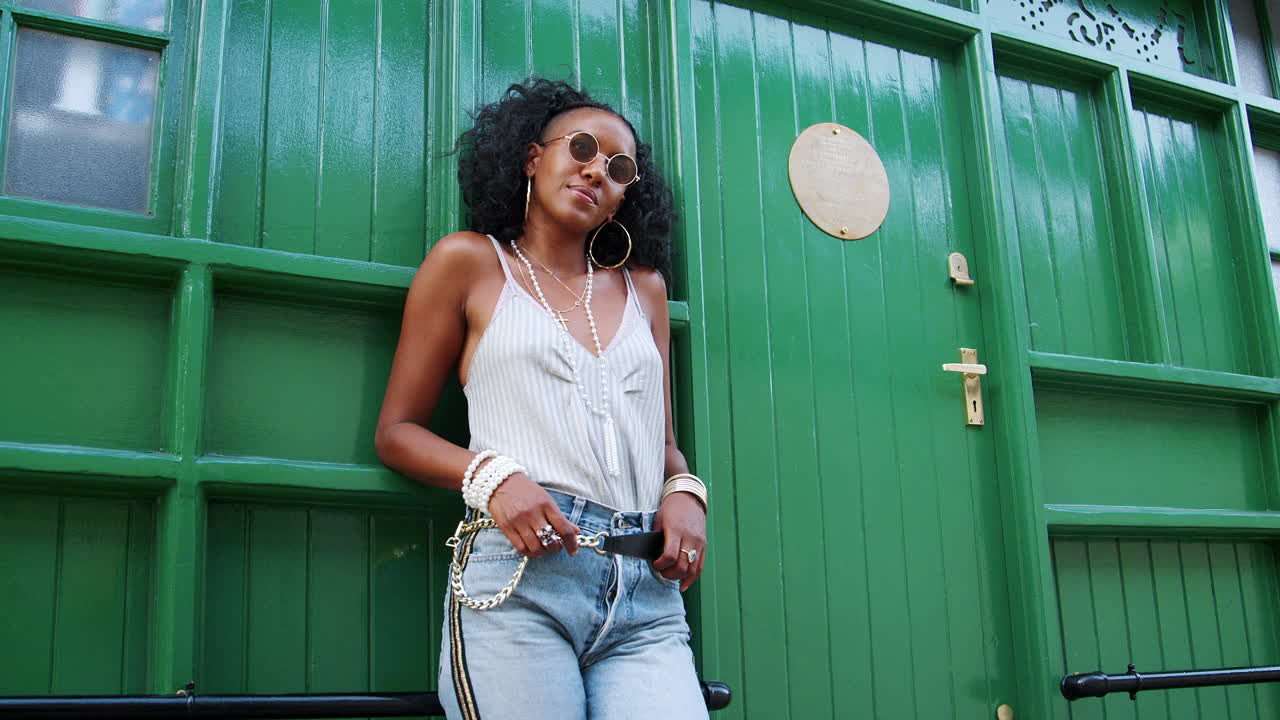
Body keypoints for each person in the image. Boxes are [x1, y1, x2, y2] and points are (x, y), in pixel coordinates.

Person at [375, 78, 709, 719]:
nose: (596, 170)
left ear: (621, 200)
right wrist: (492, 477)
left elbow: (660, 442)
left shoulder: (645, 291)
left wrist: (687, 494)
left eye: (618, 169)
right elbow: (398, 432)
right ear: (533, 158)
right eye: (580, 147)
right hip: (521, 578)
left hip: (646, 595)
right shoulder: (470, 264)